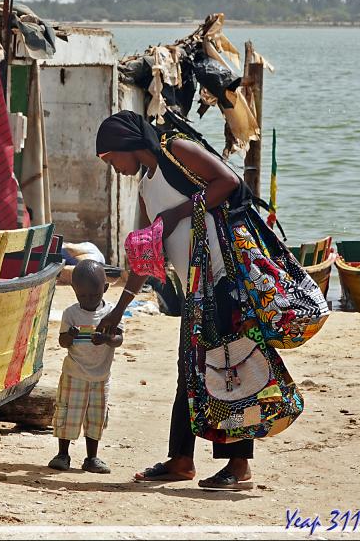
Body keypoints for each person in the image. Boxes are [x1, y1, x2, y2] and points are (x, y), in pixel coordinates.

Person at [95, 109, 255, 491]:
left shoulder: (176, 150)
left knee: (227, 371)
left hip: (224, 279)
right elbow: (148, 257)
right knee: (189, 371)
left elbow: (228, 181)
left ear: (126, 145)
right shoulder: (147, 188)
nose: (114, 168)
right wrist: (118, 311)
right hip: (194, 291)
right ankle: (181, 460)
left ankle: (239, 466)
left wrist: (177, 214)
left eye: (111, 159)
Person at [48, 259, 123, 474]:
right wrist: (69, 336)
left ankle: (92, 458)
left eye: (94, 295)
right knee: (68, 415)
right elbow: (62, 342)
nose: (88, 300)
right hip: (74, 374)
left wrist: (108, 339)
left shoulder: (111, 313)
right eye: (82, 296)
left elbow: (119, 339)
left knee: (96, 418)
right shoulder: (71, 313)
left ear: (105, 289)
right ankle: (63, 454)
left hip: (101, 377)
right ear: (74, 290)